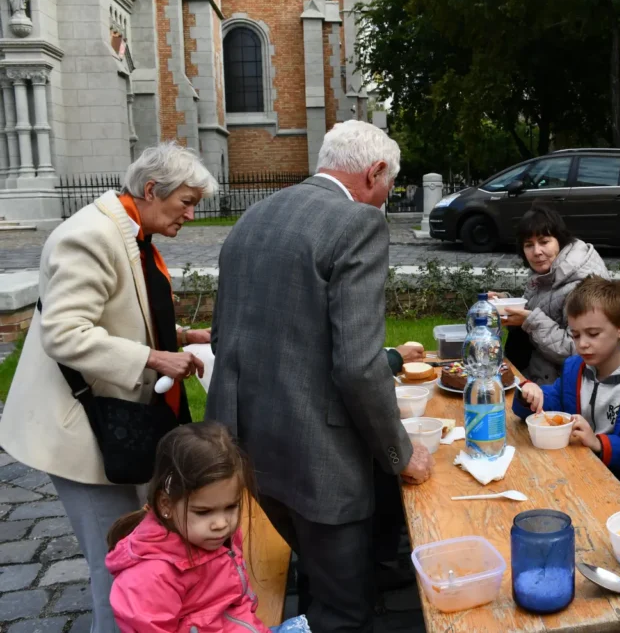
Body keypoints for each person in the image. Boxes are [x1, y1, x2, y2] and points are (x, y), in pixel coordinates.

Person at [206, 120, 433, 633]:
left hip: (250, 446)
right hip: (319, 460)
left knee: (317, 575)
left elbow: (227, 337)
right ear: (374, 172)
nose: (384, 199)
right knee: (343, 610)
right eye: (388, 187)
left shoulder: (253, 217)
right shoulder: (357, 223)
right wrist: (399, 453)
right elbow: (357, 365)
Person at [0, 143, 215, 633]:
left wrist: (180, 337)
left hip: (116, 419)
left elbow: (115, 319)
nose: (191, 213)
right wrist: (154, 357)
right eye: (186, 201)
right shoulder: (92, 236)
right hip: (83, 430)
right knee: (118, 563)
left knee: (135, 552)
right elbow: (65, 333)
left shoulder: (129, 230)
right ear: (151, 190)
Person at [106, 422, 310, 633]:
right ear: (166, 504)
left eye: (231, 507)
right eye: (203, 512)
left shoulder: (216, 537)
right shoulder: (150, 576)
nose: (221, 524)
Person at [512, 277, 620, 509]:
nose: (582, 344)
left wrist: (598, 443)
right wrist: (528, 393)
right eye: (575, 335)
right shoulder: (575, 369)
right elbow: (550, 402)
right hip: (578, 477)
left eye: (593, 334)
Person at [492, 205, 609, 385]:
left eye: (544, 241)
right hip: (531, 373)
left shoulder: (583, 285)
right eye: (529, 245)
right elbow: (542, 308)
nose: (537, 252)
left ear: (560, 241)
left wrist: (530, 322)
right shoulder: (547, 272)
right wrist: (507, 303)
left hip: (564, 388)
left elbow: (579, 351)